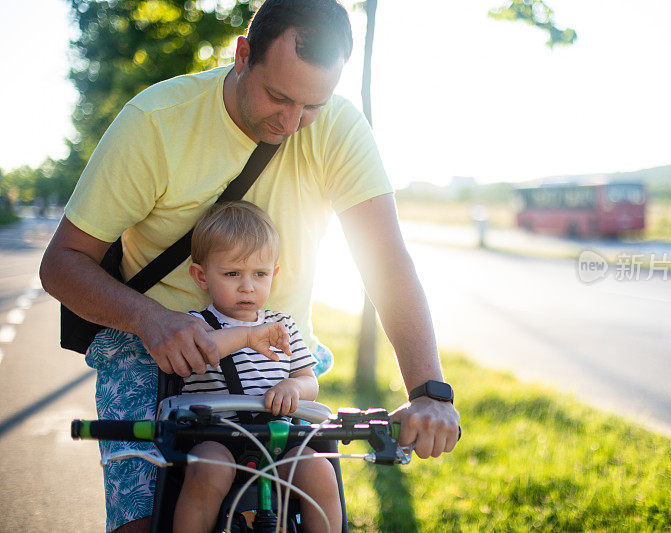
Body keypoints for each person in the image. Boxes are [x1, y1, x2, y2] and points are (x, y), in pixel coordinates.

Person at [40, 0, 459, 531]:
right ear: (242, 55)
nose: (291, 123)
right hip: (148, 346)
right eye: (278, 97)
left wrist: (429, 392)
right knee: (143, 521)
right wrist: (151, 320)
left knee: (316, 495)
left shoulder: (338, 129)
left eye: (312, 105)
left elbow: (386, 260)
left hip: (280, 359)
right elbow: (61, 264)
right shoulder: (155, 123)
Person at [173, 201, 340, 533]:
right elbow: (204, 352)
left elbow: (309, 380)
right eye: (232, 273)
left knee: (320, 471)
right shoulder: (198, 325)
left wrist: (293, 387)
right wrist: (248, 336)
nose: (247, 286)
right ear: (201, 276)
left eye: (259, 274)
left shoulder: (282, 326)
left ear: (273, 275)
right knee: (208, 469)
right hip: (216, 437)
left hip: (277, 438)